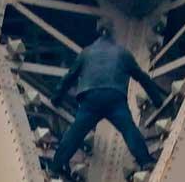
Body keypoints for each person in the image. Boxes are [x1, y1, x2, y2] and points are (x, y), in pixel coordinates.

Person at [50, 18, 167, 176]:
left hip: (90, 98)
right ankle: (145, 160)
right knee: (129, 129)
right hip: (114, 97)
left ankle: (56, 166)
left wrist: (56, 98)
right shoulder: (122, 53)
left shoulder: (86, 53)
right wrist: (157, 100)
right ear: (113, 34)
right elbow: (141, 77)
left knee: (75, 134)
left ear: (99, 32)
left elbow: (69, 77)